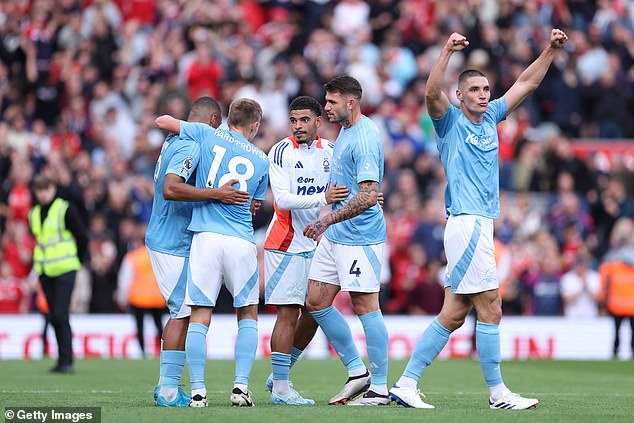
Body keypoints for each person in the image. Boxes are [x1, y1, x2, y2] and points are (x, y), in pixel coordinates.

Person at [388, 29, 568, 410]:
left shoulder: (492, 118)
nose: (484, 94)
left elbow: (527, 82)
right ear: (461, 95)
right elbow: (430, 93)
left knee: (453, 314)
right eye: (475, 90)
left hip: (478, 225)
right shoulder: (449, 122)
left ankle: (406, 383)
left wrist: (550, 50)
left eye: (486, 89)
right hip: (467, 224)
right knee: (491, 306)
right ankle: (498, 394)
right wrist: (446, 51)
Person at [155, 98, 269, 407]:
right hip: (241, 241)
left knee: (199, 316)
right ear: (255, 126)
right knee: (247, 314)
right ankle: (241, 389)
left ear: (225, 119)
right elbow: (255, 204)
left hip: (205, 238)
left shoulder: (207, 135)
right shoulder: (262, 159)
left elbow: (163, 121)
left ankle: (198, 392)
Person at [302, 75, 389, 406]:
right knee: (315, 301)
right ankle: (357, 372)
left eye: (331, 102)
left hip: (359, 237)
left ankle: (379, 387)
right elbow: (363, 189)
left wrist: (327, 218)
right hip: (337, 235)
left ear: (351, 103)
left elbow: (368, 196)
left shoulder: (365, 137)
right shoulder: (346, 131)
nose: (325, 107)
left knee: (366, 306)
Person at [263, 96, 349, 405]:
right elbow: (282, 200)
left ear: (317, 122)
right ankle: (283, 390)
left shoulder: (332, 151)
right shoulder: (281, 151)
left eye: (304, 120)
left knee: (316, 310)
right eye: (293, 120)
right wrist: (321, 198)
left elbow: (344, 191)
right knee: (287, 314)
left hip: (319, 244)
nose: (298, 126)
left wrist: (369, 197)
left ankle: (280, 375)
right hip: (286, 243)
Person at [28, 174, 88, 374]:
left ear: (53, 188)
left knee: (61, 314)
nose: (43, 194)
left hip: (65, 269)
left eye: (46, 189)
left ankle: (67, 360)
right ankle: (63, 359)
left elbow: (82, 236)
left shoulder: (65, 209)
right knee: (53, 316)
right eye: (39, 190)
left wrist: (77, 259)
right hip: (45, 271)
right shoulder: (35, 213)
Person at [117, 227, 167, 359]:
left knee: (140, 326)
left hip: (138, 297)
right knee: (160, 327)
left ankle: (143, 352)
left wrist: (122, 298)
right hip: (157, 297)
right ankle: (164, 352)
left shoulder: (133, 256)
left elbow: (125, 278)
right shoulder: (160, 256)